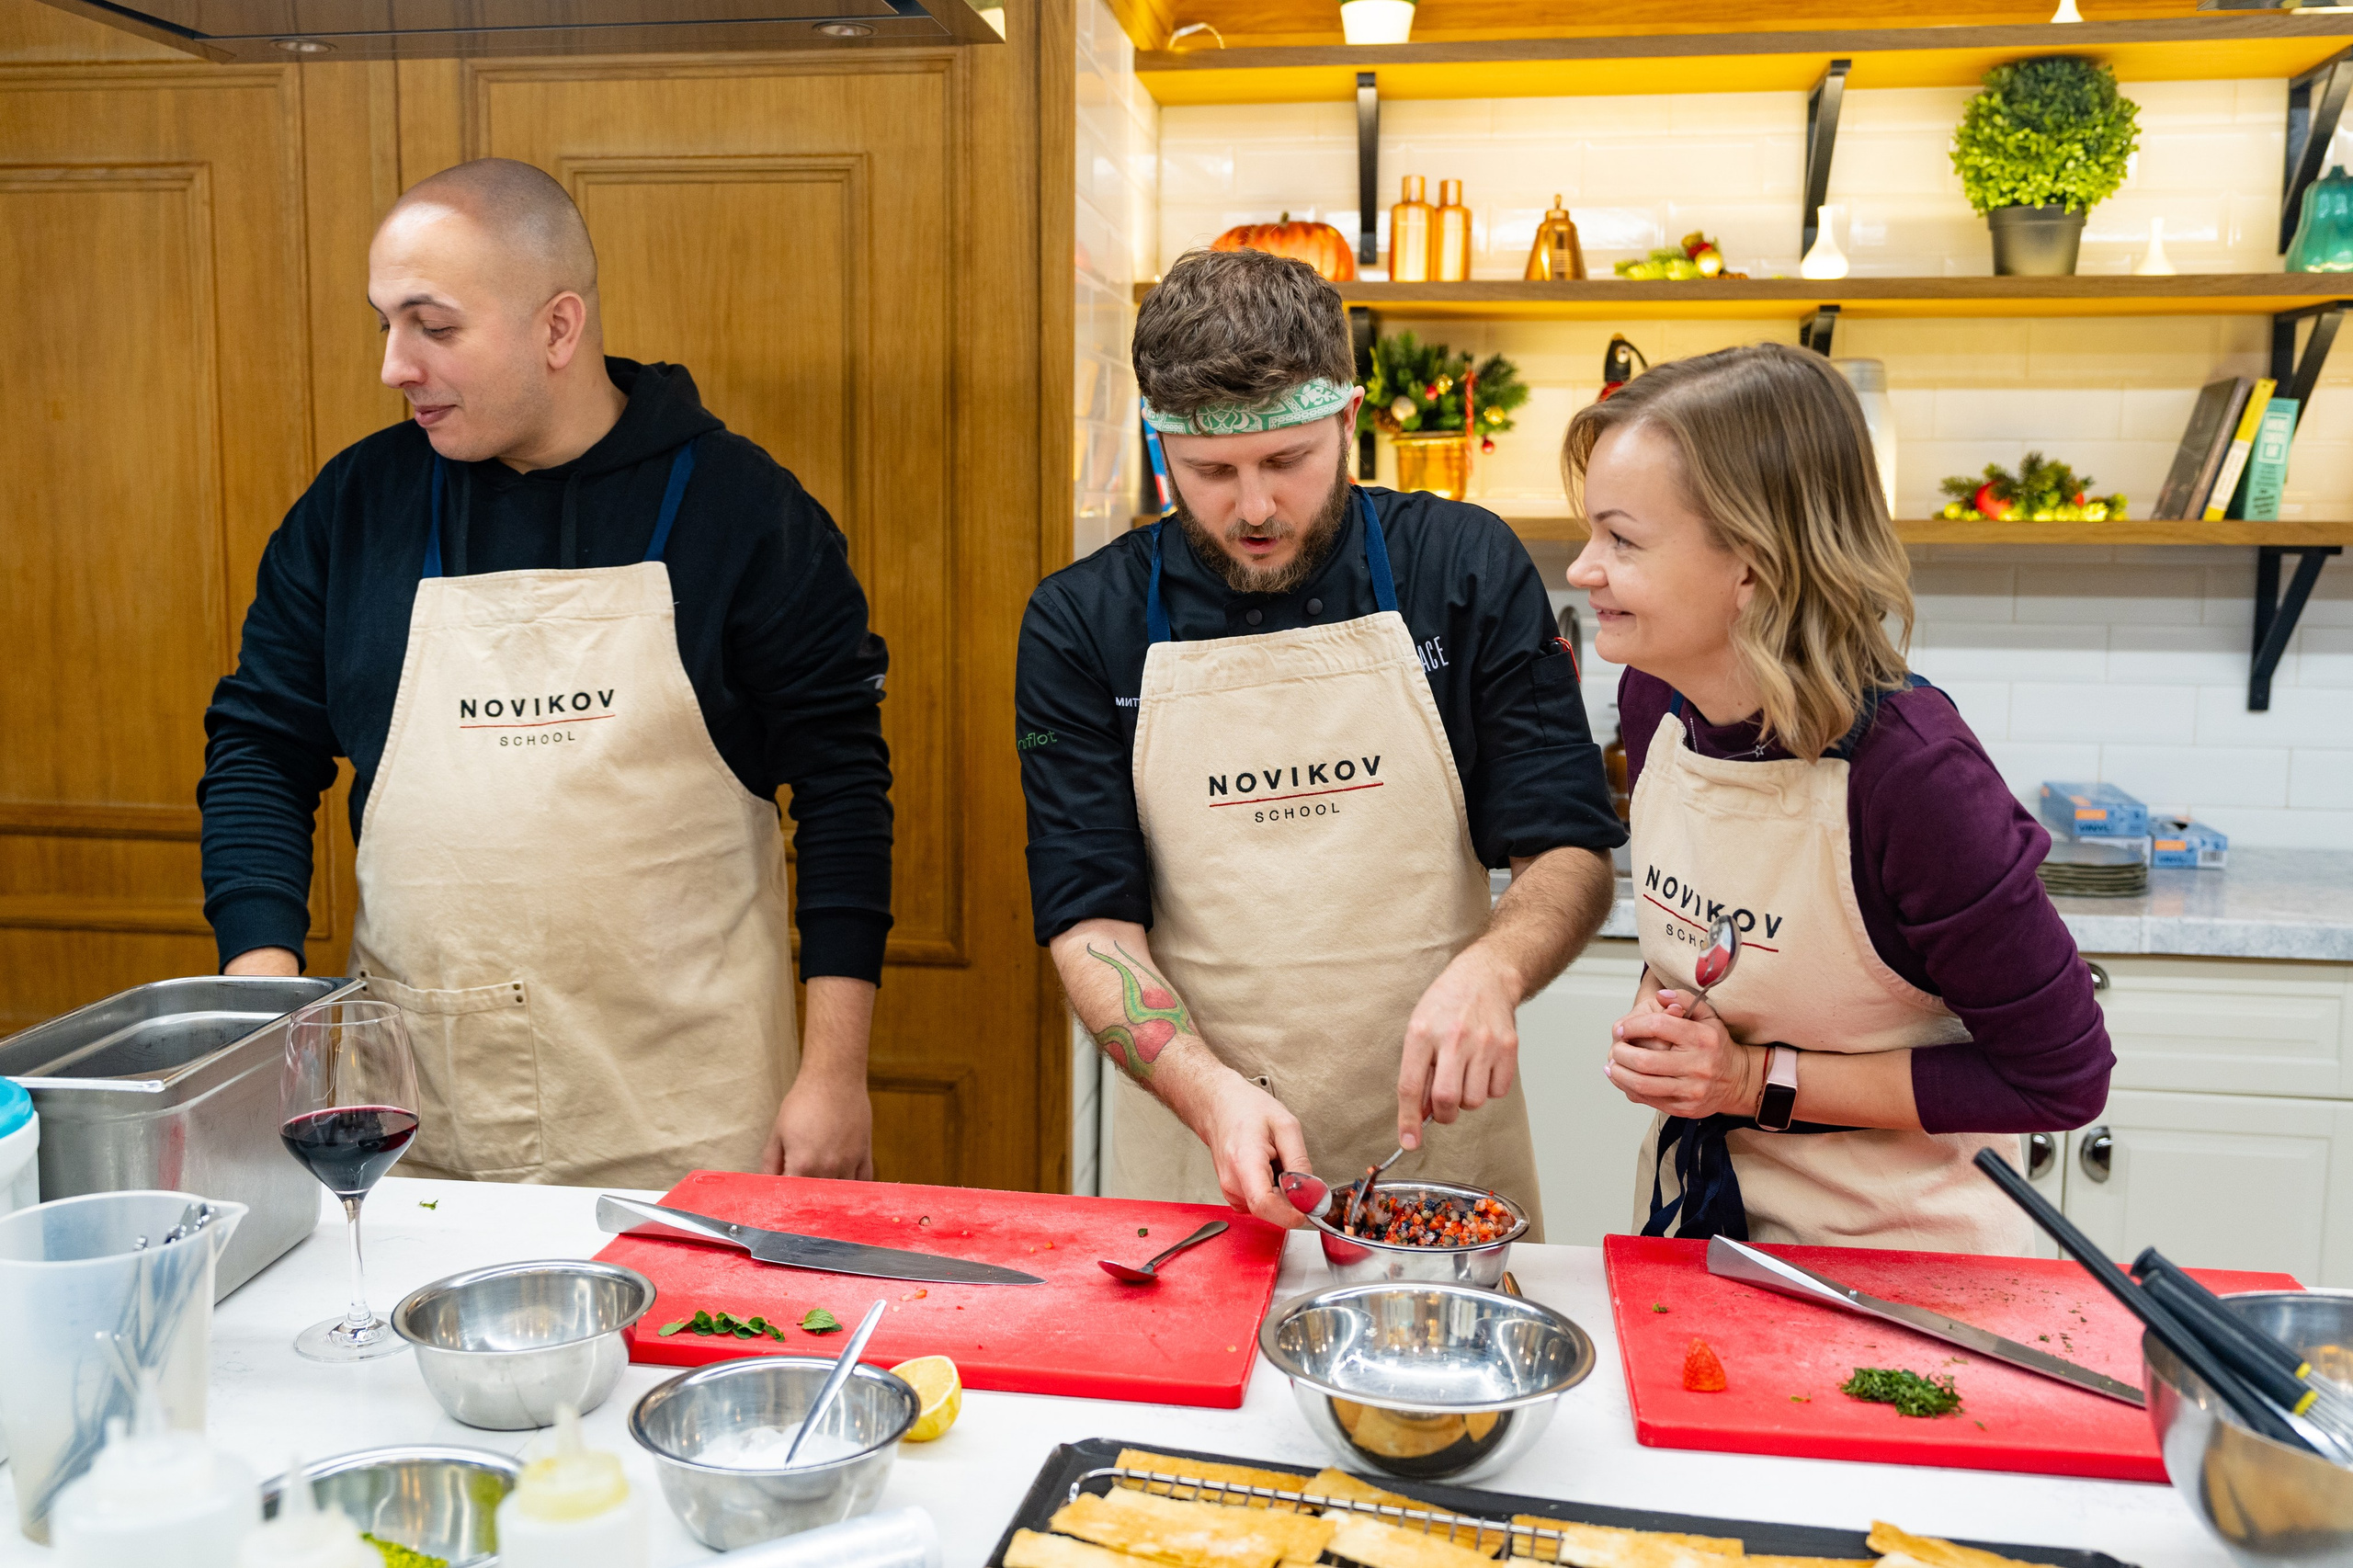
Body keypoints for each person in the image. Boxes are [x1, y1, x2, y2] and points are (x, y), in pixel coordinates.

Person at [199, 159, 893, 1188]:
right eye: (385, 324)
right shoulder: (355, 508)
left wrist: (835, 1072)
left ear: (559, 327)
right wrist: (266, 1010)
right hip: (421, 1118)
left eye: (432, 327)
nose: (395, 364)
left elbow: (841, 790)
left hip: (688, 1120)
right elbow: (261, 744)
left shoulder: (743, 511)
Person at [1017, 249, 1625, 1233]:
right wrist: (1209, 1091)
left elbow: (1567, 848)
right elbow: (1090, 926)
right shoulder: (1082, 622)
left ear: (1348, 420)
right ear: (1158, 439)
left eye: (1288, 462)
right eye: (1210, 472)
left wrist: (1496, 967)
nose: (1253, 509)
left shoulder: (1461, 567)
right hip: (1200, 1164)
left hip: (1442, 1164)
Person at [1564, 343, 2112, 1252]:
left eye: (1621, 539)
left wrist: (1749, 1080)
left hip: (1907, 1270)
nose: (1584, 569)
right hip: (1706, 1229)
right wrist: (1671, 1023)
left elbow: (2061, 1079)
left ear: (1751, 564)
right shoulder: (1656, 697)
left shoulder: (1916, 779)